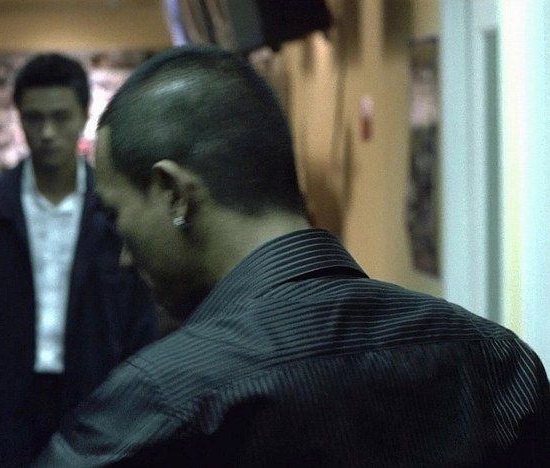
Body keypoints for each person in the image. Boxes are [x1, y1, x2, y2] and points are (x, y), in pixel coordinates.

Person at [32, 45, 550, 467]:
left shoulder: (160, 401)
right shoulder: (494, 361)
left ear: (173, 193)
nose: (124, 256)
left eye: (116, 215)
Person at [0, 53, 159, 468]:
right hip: (0, 401)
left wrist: (141, 422)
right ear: (20, 118)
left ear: (83, 116)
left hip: (93, 395)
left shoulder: (114, 208)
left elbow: (140, 320)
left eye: (60, 117)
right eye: (35, 118)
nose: (48, 133)